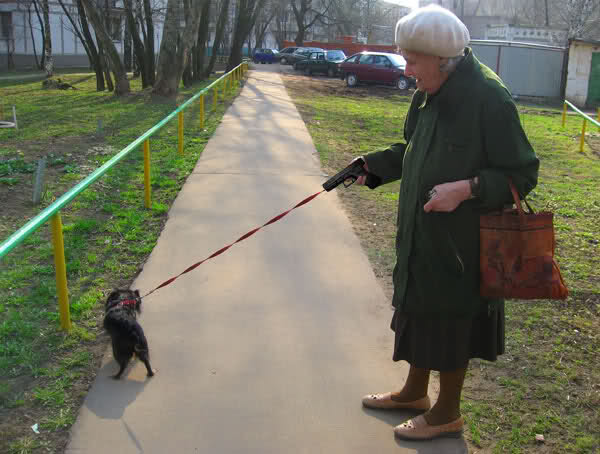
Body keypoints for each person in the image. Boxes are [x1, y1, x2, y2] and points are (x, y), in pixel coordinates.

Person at [354, 5, 540, 441]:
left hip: (464, 244)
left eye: (413, 60)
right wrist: (372, 166)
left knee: (452, 321)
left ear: (442, 58)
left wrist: (466, 188)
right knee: (421, 310)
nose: (407, 68)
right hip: (424, 235)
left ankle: (446, 414)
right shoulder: (427, 91)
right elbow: (413, 147)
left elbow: (522, 173)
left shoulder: (489, 98)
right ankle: (415, 393)